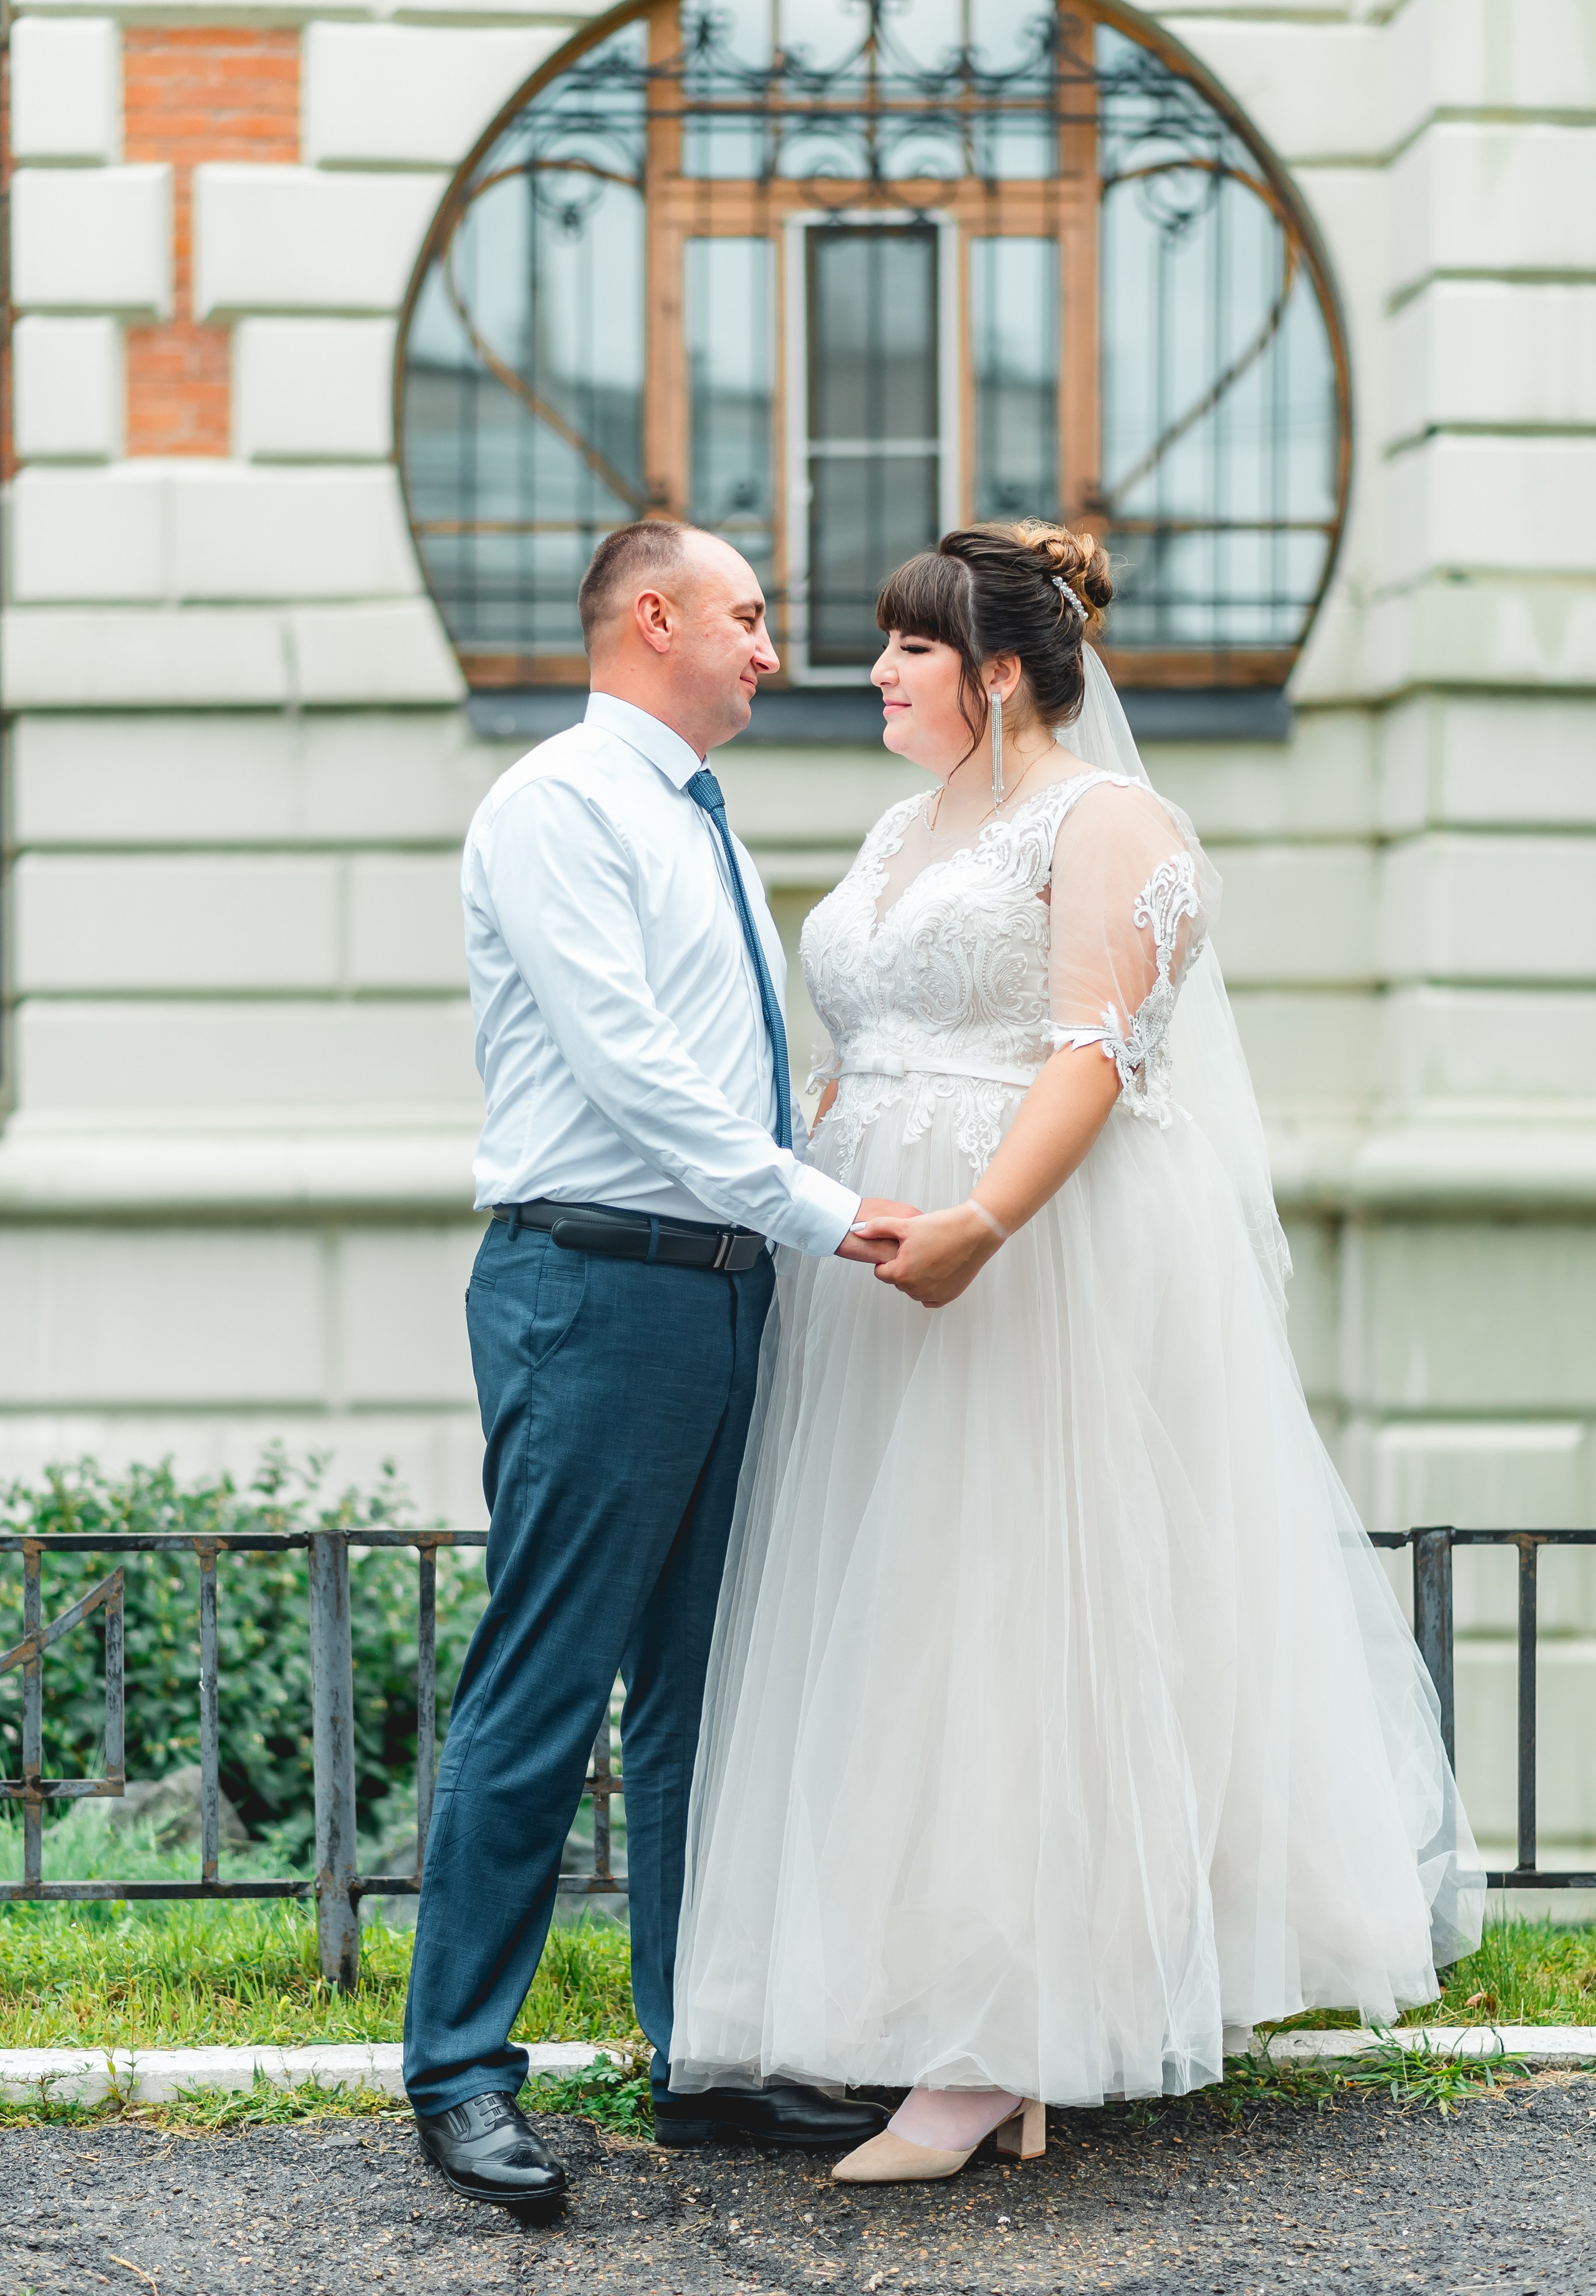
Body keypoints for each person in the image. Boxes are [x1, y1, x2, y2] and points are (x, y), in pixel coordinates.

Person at [668, 520, 1484, 2183]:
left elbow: (1092, 1049)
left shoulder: (1107, 820)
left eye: (906, 649)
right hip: (872, 1265)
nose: (876, 672)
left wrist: (981, 1225)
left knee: (1016, 1621)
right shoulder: (907, 825)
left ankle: (998, 2042)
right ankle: (927, 1996)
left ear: (996, 670)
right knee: (904, 1630)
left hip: (1032, 1261)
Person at [403, 520, 915, 2210]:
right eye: (750, 616)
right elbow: (633, 1075)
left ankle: (701, 2055)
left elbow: (734, 1070)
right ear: (655, 616)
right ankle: (460, 2070)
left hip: (720, 1287)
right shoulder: (560, 805)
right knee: (543, 1684)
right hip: (596, 1282)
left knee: (705, 1690)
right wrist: (828, 1210)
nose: (774, 647)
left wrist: (807, 1194)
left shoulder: (696, 818)